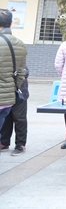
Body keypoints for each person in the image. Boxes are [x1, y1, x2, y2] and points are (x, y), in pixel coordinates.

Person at [0, 9, 28, 151]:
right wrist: (15, 86)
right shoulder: (20, 43)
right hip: (16, 88)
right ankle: (19, 144)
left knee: (8, 117)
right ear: (11, 24)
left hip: (5, 89)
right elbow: (23, 70)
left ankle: (7, 142)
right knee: (18, 117)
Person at [0, 68, 29, 155]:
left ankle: (20, 144)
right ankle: (4, 142)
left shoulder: (18, 60)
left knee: (19, 118)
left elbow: (24, 72)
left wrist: (17, 84)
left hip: (18, 91)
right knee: (5, 117)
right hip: (5, 93)